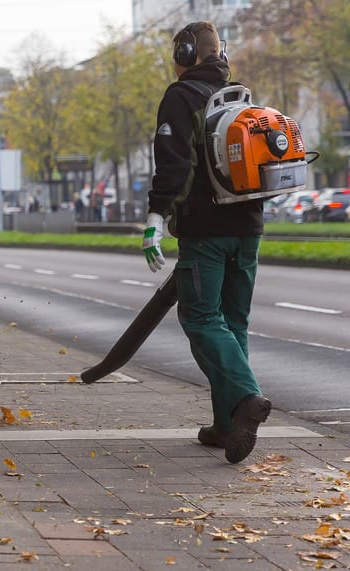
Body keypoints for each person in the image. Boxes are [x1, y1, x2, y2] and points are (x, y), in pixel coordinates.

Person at [141, 21, 270, 464]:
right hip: (249, 228)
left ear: (185, 52)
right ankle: (225, 425)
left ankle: (247, 398)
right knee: (233, 324)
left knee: (199, 318)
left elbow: (174, 166)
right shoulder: (240, 96)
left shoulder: (180, 97)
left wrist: (156, 217)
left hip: (205, 232)